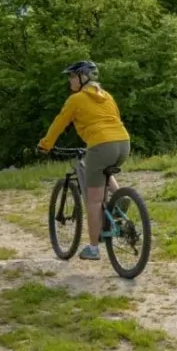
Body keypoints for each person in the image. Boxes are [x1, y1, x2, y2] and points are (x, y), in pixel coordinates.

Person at [38, 60, 131, 261]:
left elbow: (59, 123)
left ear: (82, 77)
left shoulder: (76, 99)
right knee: (104, 170)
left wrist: (46, 144)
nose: (69, 80)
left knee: (94, 200)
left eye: (72, 76)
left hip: (101, 145)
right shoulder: (107, 96)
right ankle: (119, 196)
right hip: (123, 143)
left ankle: (93, 249)